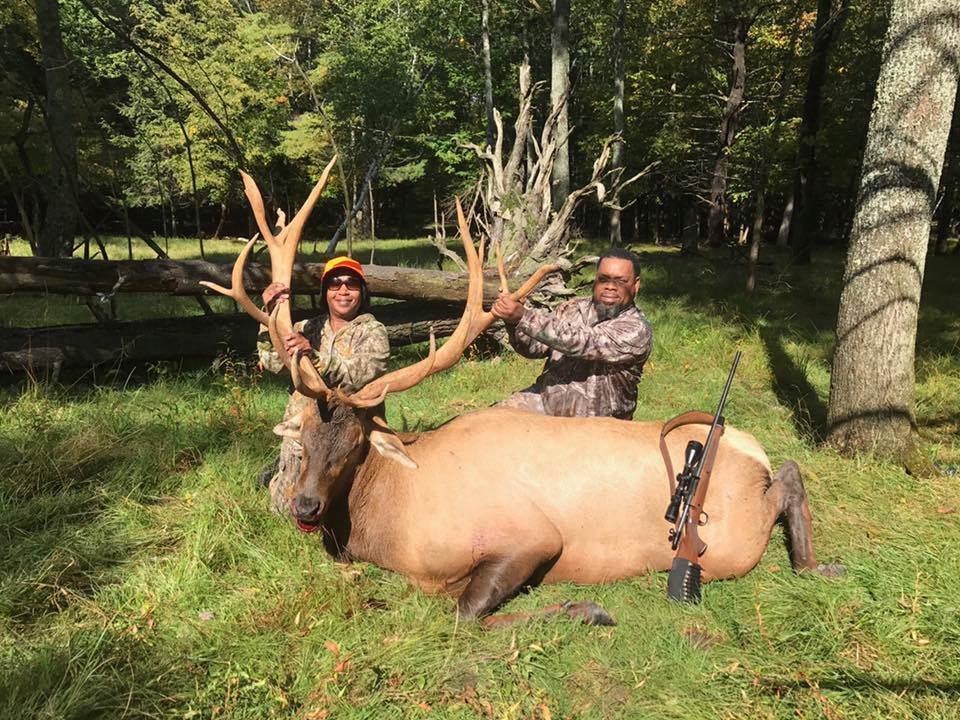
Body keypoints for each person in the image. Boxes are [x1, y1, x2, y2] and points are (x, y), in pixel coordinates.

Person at [257, 256, 390, 513]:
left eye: (351, 284)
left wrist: (314, 358)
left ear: (361, 292)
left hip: (348, 440)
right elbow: (272, 361)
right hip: (305, 434)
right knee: (284, 510)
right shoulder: (306, 327)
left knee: (353, 511)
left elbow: (361, 373)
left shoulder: (373, 331)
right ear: (325, 292)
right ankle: (278, 473)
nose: (342, 290)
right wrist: (268, 315)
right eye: (334, 284)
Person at [490, 247, 653, 420]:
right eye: (603, 279)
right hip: (544, 404)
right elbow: (533, 348)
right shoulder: (572, 308)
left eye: (621, 281)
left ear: (635, 285)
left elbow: (583, 342)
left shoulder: (636, 330)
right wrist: (512, 322)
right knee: (488, 421)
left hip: (599, 425)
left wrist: (523, 316)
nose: (610, 287)